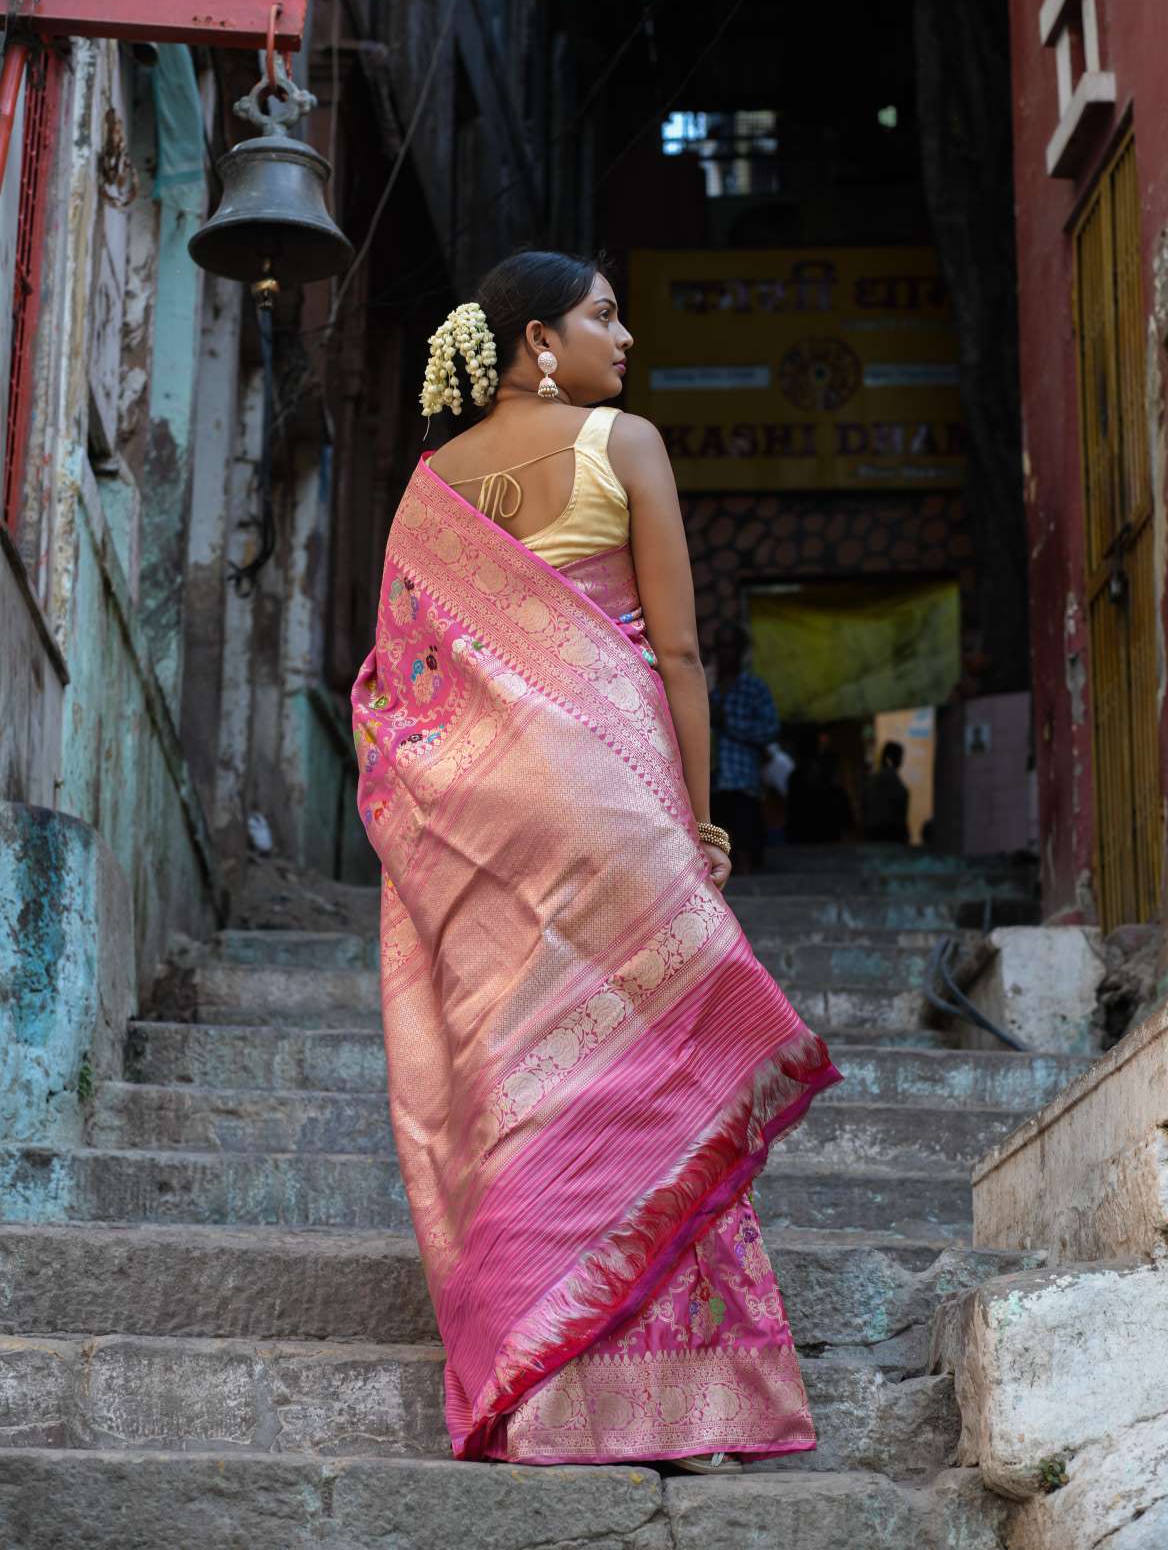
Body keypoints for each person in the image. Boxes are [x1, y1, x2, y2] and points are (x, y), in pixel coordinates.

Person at [351, 251, 841, 1471]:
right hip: (604, 796)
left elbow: (396, 688)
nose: (623, 339)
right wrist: (700, 818)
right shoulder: (622, 444)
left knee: (519, 1073)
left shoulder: (428, 490)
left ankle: (543, 1393)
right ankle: (689, 1398)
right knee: (653, 1055)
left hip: (480, 819)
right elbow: (677, 654)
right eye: (602, 317)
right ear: (534, 345)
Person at [708, 624, 780, 873]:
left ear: (741, 651)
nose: (726, 652)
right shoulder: (705, 687)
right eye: (721, 646)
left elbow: (770, 729)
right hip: (710, 786)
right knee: (715, 857)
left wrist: (728, 723)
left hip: (743, 786)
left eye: (731, 646)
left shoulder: (754, 688)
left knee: (746, 855)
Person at [862, 740, 911, 844]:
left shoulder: (875, 779)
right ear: (891, 758)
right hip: (889, 832)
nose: (901, 760)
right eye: (900, 756)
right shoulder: (891, 778)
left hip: (873, 832)